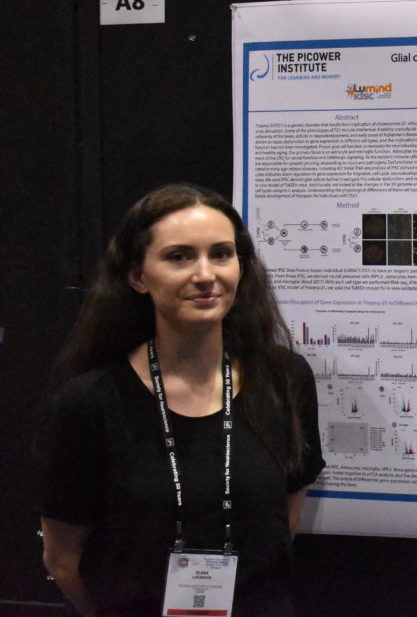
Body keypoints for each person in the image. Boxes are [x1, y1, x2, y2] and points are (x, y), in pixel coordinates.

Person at [37, 184, 325, 616]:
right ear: (137, 276)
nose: (206, 274)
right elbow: (62, 558)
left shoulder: (284, 379)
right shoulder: (90, 401)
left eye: (222, 254)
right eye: (179, 256)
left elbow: (281, 525)